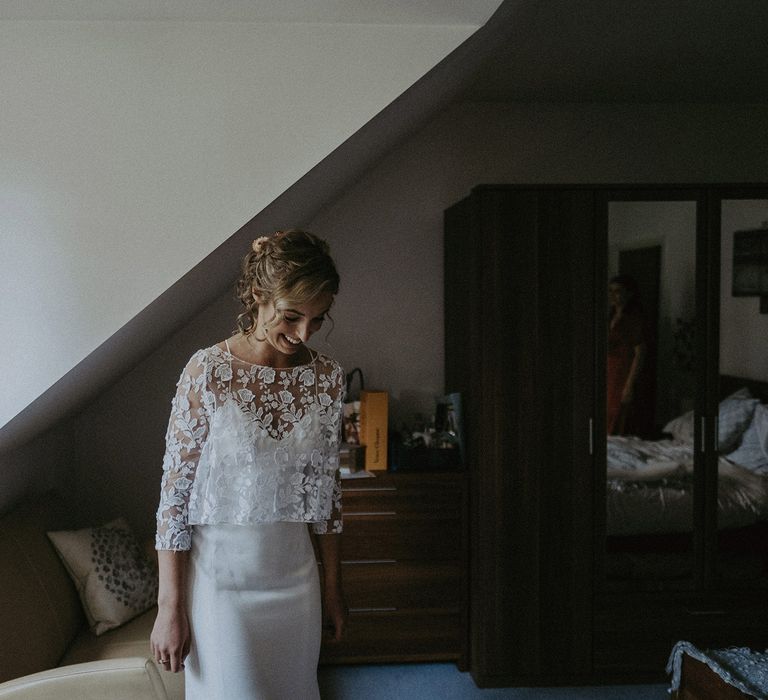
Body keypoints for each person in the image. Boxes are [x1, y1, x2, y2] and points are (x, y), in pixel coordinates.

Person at [151, 229, 347, 699]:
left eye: (317, 320)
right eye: (292, 316)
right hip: (223, 589)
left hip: (296, 584)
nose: (302, 334)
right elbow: (173, 500)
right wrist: (169, 607)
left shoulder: (326, 378)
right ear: (260, 296)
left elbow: (328, 497)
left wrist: (333, 588)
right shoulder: (208, 372)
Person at [606, 274, 649, 436]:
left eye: (617, 291)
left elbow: (640, 353)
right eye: (610, 291)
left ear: (628, 294)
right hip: (609, 369)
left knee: (618, 412)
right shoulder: (610, 316)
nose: (612, 295)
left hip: (623, 369)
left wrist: (629, 384)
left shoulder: (634, 319)